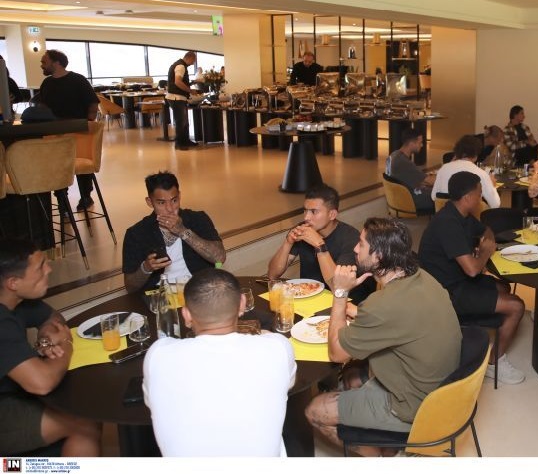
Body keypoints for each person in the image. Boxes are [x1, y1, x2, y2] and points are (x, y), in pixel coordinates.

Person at [305, 218, 461, 456]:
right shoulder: (422, 277)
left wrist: (340, 293)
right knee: (353, 377)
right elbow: (400, 316)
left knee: (315, 410)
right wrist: (360, 312)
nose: (355, 248)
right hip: (445, 391)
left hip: (417, 407)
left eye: (361, 244)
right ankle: (387, 446)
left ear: (378, 256)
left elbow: (336, 353)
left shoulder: (382, 305)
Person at [143, 268, 296, 456]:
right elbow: (289, 383)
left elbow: (152, 402)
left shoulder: (158, 355)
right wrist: (264, 334)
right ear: (242, 304)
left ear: (186, 315)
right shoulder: (277, 348)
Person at [418, 172, 526, 385]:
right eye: (479, 193)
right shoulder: (448, 224)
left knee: (503, 287)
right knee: (517, 306)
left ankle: (483, 324)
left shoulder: (461, 214)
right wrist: (485, 252)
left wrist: (486, 243)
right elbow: (472, 270)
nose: (481, 197)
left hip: (457, 280)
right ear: (467, 197)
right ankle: (494, 363)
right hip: (446, 292)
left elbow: (486, 230)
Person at [0, 239, 101, 456]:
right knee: (85, 424)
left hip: (14, 394)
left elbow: (53, 318)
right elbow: (42, 383)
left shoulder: (18, 300)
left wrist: (46, 339)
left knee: (85, 405)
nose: (49, 269)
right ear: (13, 283)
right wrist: (65, 344)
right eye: (40, 267)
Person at [267, 184, 375, 303]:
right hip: (309, 298)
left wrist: (319, 245)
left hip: (345, 302)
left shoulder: (351, 238)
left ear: (332, 214)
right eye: (305, 210)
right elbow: (272, 275)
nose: (306, 217)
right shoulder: (303, 230)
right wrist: (288, 243)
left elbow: (337, 287)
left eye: (314, 212)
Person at [123, 171, 226, 294]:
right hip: (160, 295)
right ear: (150, 202)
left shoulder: (197, 219)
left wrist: (183, 231)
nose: (170, 209)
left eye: (174, 200)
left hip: (199, 290)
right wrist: (146, 268)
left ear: (179, 196)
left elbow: (219, 258)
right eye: (161, 203)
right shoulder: (136, 233)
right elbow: (130, 287)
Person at [37, 49, 99, 210]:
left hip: (78, 132)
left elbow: (93, 103)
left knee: (81, 167)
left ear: (56, 62)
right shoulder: (47, 83)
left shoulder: (78, 80)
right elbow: (42, 105)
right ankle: (62, 200)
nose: (41, 65)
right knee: (57, 166)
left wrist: (88, 123)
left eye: (44, 61)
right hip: (54, 133)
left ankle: (86, 196)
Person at [432, 135, 501, 208]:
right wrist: (492, 186)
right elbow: (495, 204)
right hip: (470, 214)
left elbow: (433, 196)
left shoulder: (444, 168)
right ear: (476, 154)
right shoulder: (481, 173)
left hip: (444, 213)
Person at [385, 127, 436, 211]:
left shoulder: (394, 155)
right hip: (410, 200)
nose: (422, 145)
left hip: (398, 197)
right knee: (442, 196)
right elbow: (430, 181)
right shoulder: (403, 162)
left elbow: (415, 178)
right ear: (412, 144)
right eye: (420, 142)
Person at [165, 50, 198, 150]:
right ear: (190, 58)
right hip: (176, 97)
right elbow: (178, 82)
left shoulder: (179, 65)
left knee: (184, 121)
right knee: (181, 122)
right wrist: (190, 91)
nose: (193, 63)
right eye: (193, 61)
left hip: (177, 97)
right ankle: (179, 143)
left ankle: (185, 141)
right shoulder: (181, 66)